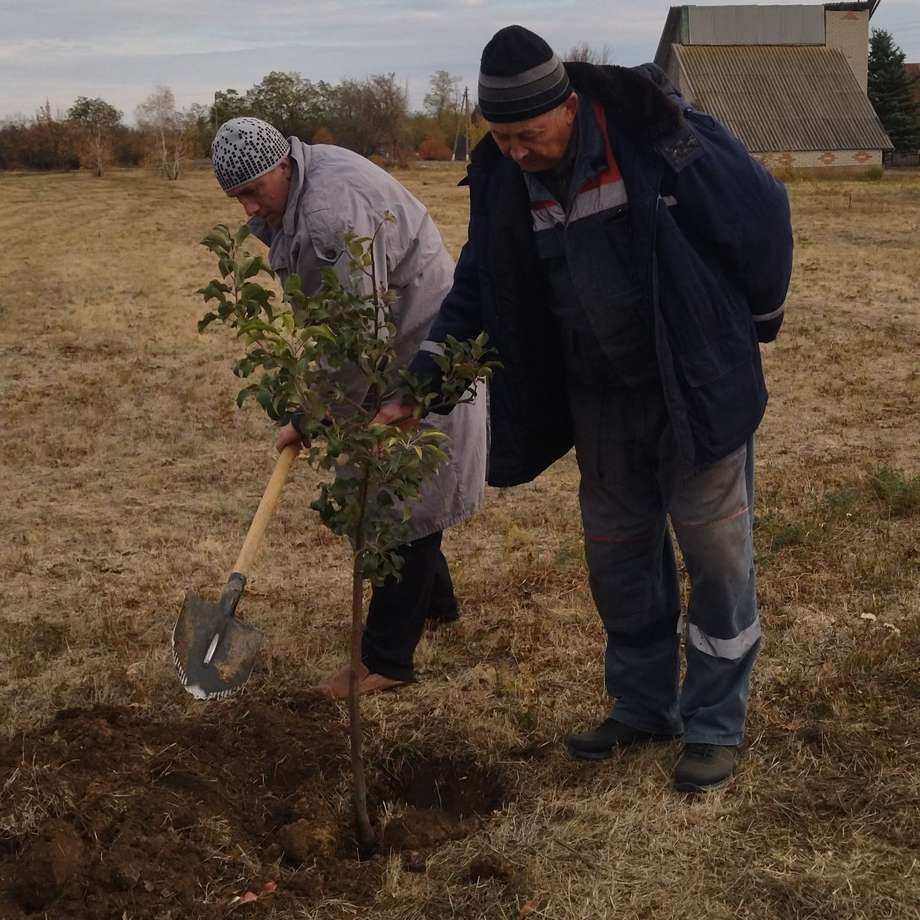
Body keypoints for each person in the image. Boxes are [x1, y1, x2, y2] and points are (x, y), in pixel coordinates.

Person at [377, 26, 793, 792]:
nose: (517, 151)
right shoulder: (505, 176)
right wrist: (423, 383)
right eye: (502, 137)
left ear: (568, 108)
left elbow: (760, 217)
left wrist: (757, 322)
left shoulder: (659, 138)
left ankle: (712, 727)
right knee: (617, 558)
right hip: (600, 399)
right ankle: (642, 709)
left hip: (691, 384)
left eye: (528, 135)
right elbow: (480, 283)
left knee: (717, 559)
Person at [209, 117, 488, 699]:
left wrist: (313, 415)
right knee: (406, 488)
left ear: (283, 165)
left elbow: (356, 337)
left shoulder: (330, 215)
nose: (247, 210)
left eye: (253, 191)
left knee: (396, 503)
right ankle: (435, 607)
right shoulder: (294, 192)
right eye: (236, 197)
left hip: (418, 353)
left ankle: (384, 662)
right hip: (392, 346)